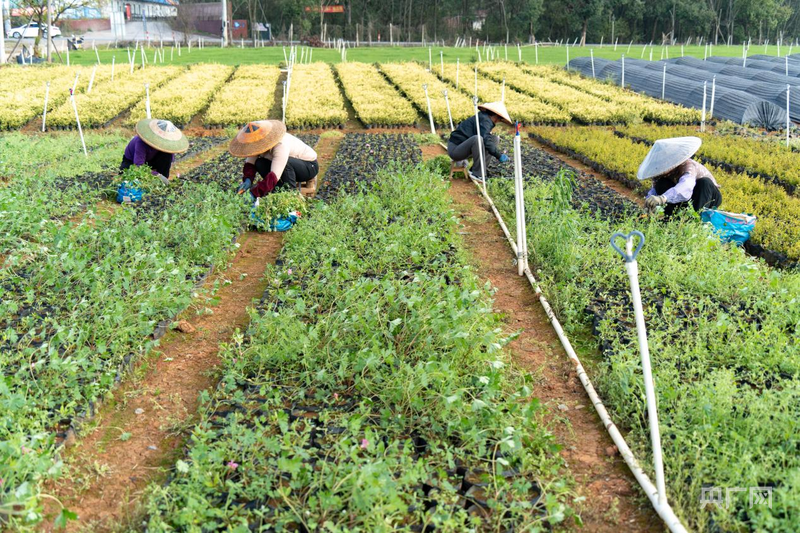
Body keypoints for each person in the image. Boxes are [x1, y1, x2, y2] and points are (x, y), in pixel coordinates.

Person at [229, 120, 319, 197]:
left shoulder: (280, 145)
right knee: (259, 162)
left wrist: (255, 193)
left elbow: (274, 175)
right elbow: (250, 164)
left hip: (308, 166)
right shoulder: (257, 145)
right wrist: (247, 180)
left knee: (286, 163)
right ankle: (278, 186)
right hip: (287, 168)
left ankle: (290, 193)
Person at [638, 136, 722, 217]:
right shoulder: (661, 175)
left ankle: (695, 220)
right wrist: (649, 204)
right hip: (686, 199)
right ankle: (672, 218)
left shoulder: (687, 165)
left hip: (706, 196)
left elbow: (686, 186)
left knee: (704, 182)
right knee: (662, 183)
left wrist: (663, 198)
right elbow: (654, 191)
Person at [447, 101, 513, 180]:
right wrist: (499, 155)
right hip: (455, 150)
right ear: (495, 116)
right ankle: (477, 174)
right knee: (477, 139)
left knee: (494, 139)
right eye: (499, 119)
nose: (498, 121)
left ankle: (477, 170)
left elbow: (487, 139)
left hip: (465, 149)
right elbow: (485, 139)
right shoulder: (485, 120)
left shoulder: (484, 118)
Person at [121, 119, 188, 182]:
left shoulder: (166, 145)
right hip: (132, 161)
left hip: (152, 159)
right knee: (128, 178)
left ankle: (161, 183)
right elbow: (139, 165)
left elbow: (169, 160)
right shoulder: (141, 142)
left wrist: (162, 175)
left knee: (167, 155)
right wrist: (157, 175)